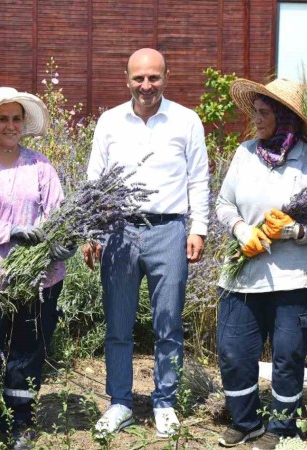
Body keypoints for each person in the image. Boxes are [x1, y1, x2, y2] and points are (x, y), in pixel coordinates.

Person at [83, 48, 210, 437]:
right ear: (127, 79)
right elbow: (94, 179)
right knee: (118, 324)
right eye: (139, 78)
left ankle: (165, 403)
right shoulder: (109, 122)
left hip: (168, 231)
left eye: (154, 77)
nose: (146, 85)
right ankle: (120, 401)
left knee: (168, 323)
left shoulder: (186, 121)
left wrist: (198, 228)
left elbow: (198, 178)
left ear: (166, 78)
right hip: (119, 232)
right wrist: (92, 231)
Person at [214, 77, 307, 450]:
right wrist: (241, 230)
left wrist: (295, 230)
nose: (257, 119)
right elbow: (224, 204)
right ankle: (246, 422)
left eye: (264, 112)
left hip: (295, 278)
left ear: (285, 117)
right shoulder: (244, 153)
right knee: (234, 350)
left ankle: (281, 428)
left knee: (288, 356)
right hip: (244, 273)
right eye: (255, 111)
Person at [0, 86, 73, 449]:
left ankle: (19, 422)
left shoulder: (40, 166)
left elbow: (58, 212)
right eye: (2, 118)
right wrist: (11, 231)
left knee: (27, 350)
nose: (10, 126)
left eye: (16, 119)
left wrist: (61, 241)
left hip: (37, 277)